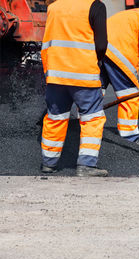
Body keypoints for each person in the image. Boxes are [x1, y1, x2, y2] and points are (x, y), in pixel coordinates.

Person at [40, 0, 108, 176]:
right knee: (92, 117)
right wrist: (98, 63)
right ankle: (86, 165)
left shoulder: (53, 7)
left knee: (55, 117)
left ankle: (49, 163)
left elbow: (47, 41)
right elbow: (101, 45)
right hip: (83, 74)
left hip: (56, 74)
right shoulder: (96, 6)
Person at [100, 3, 139, 147]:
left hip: (100, 46)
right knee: (129, 92)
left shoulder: (132, 14)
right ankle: (130, 136)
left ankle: (85, 125)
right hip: (119, 50)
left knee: (97, 89)